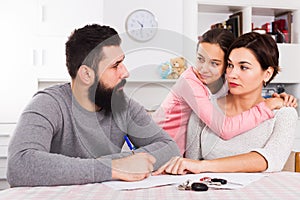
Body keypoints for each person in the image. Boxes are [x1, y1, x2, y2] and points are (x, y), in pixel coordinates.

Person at [7, 24, 180, 187]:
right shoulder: (48, 104)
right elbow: (20, 165)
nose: (125, 72)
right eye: (115, 66)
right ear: (86, 74)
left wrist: (129, 160)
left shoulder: (123, 105)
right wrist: (114, 167)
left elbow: (170, 148)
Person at [153, 32, 298, 175]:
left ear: (267, 74)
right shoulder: (204, 110)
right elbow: (191, 166)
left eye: (244, 67)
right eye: (230, 65)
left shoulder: (283, 113)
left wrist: (203, 166)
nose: (232, 74)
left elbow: (272, 159)